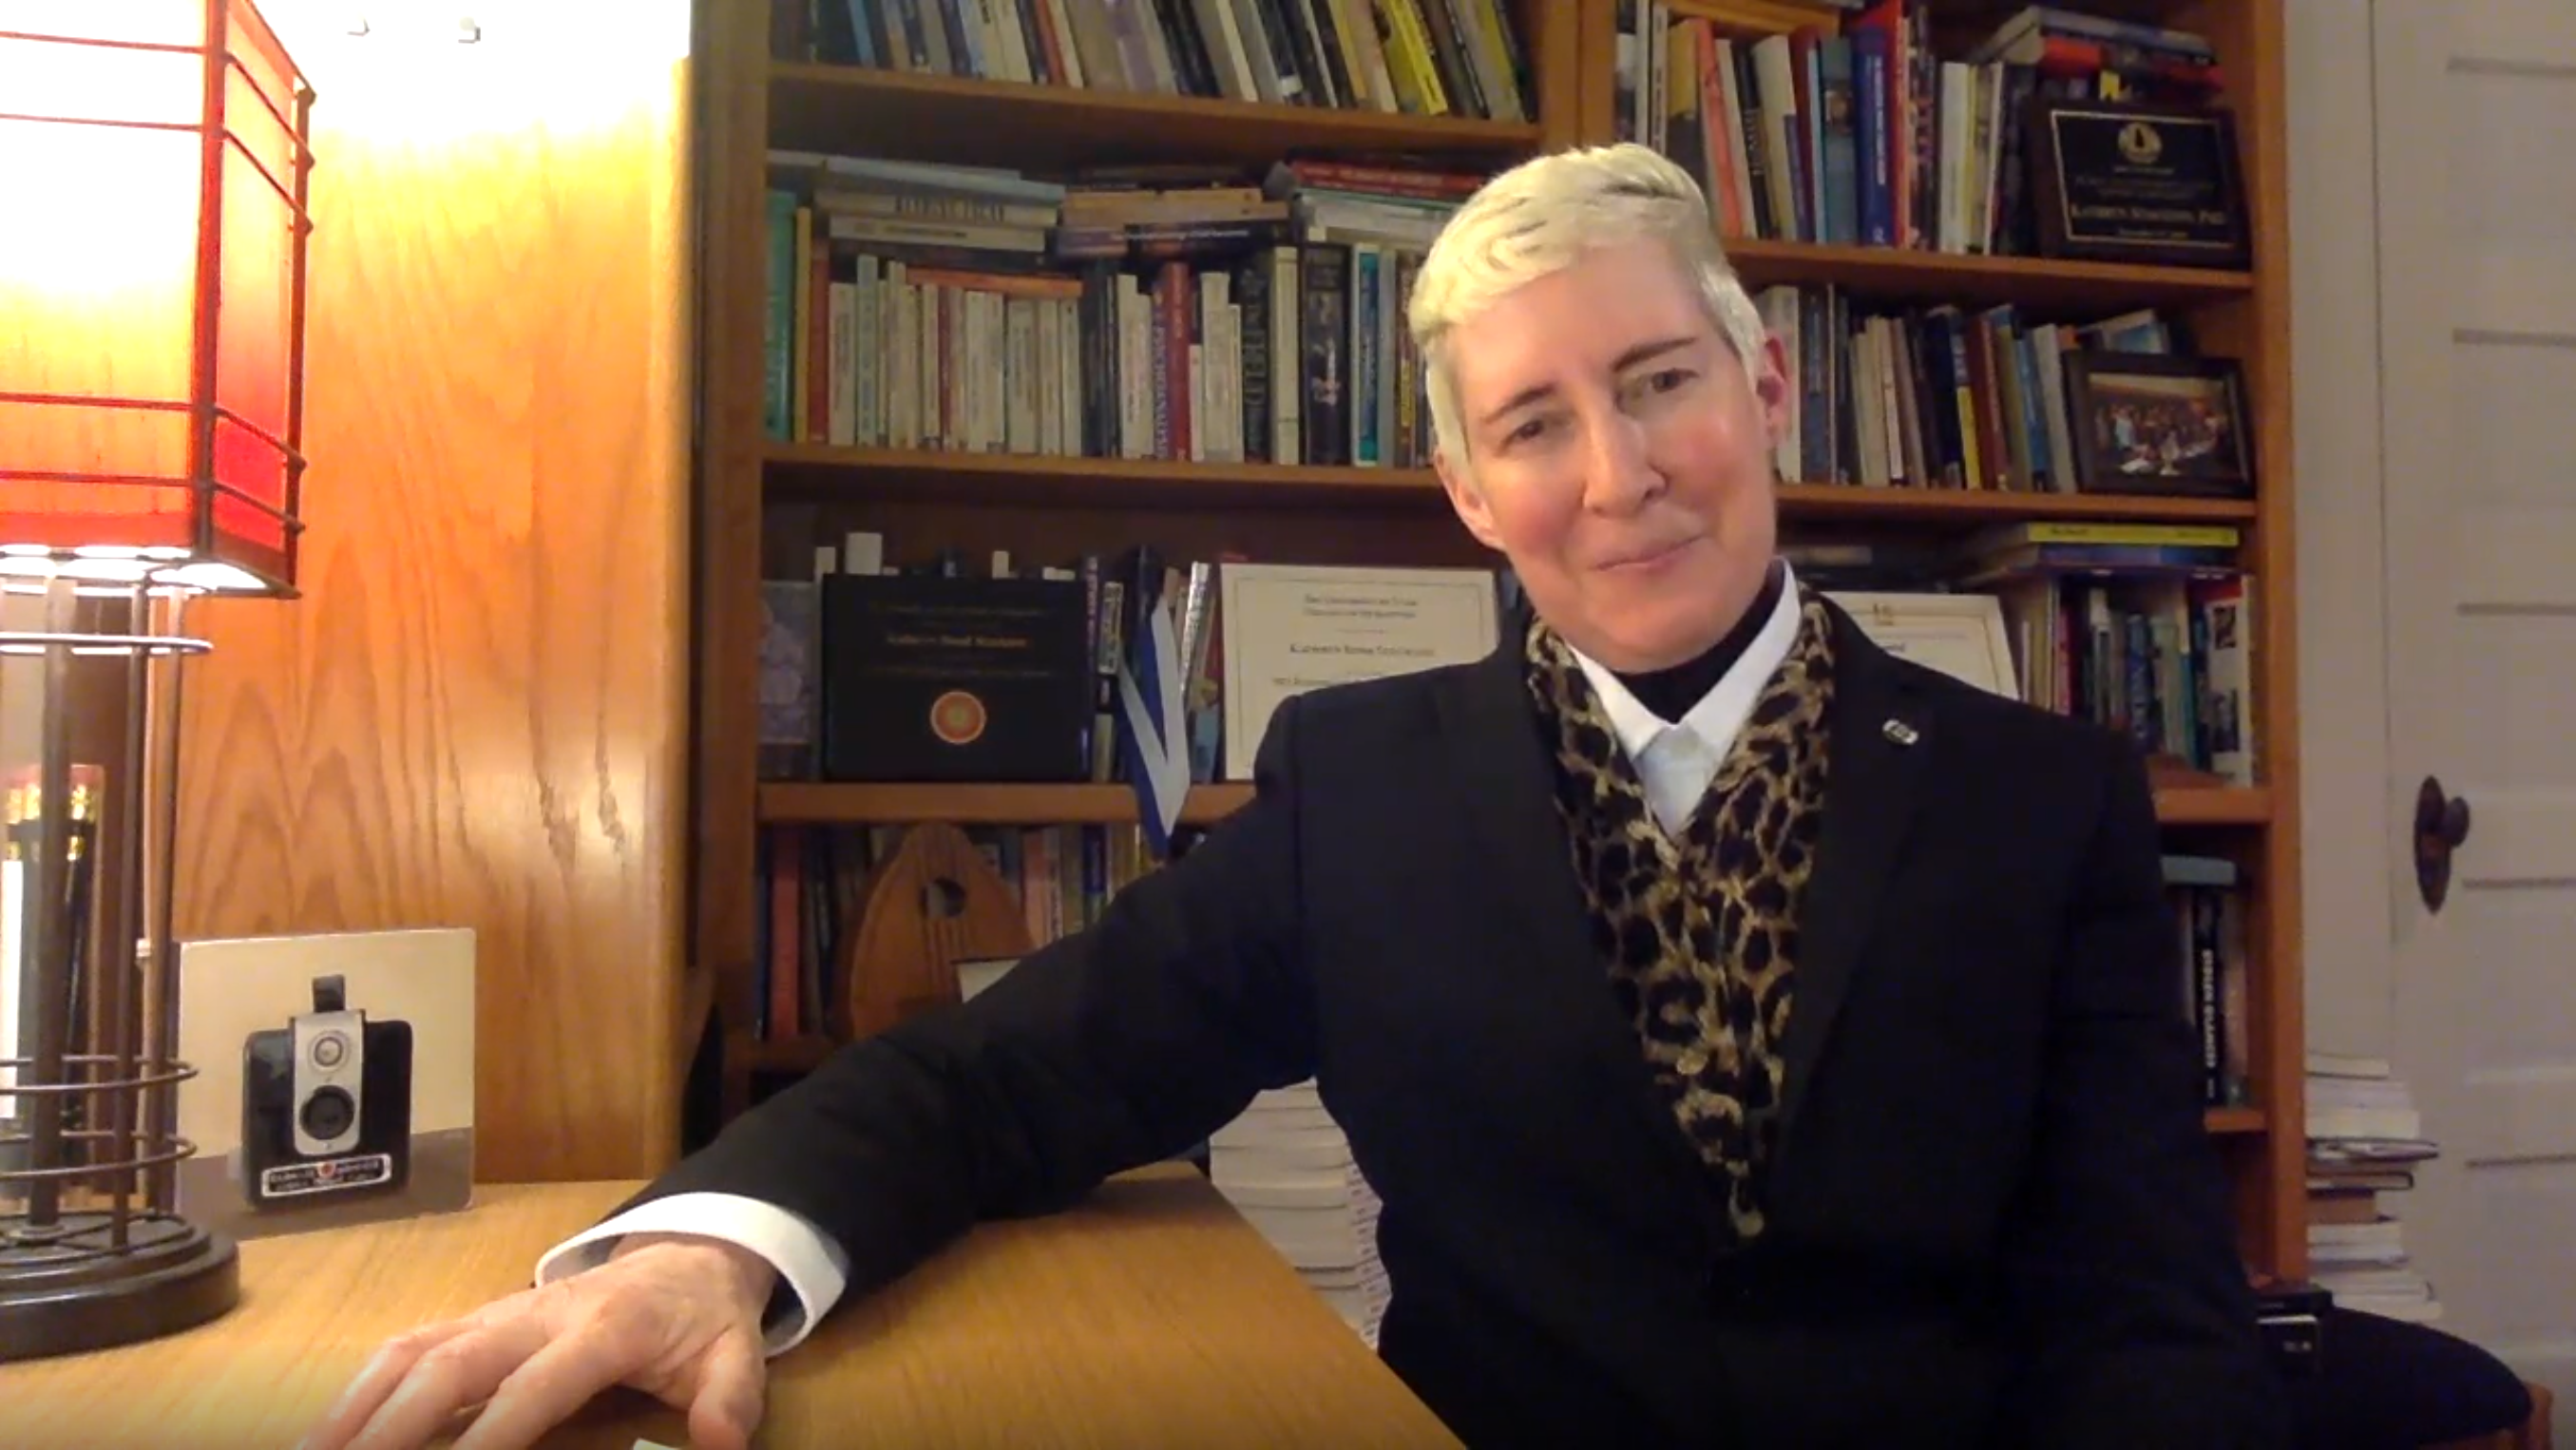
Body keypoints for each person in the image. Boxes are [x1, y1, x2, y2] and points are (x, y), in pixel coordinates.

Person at [298, 143, 2284, 1450]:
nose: (1616, 473)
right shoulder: (1362, 789)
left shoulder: (2044, 801)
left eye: (1659, 379)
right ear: (1465, 494)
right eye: (1532, 424)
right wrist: (704, 1247)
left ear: (1763, 390)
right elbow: (1019, 1074)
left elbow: (2140, 1308)